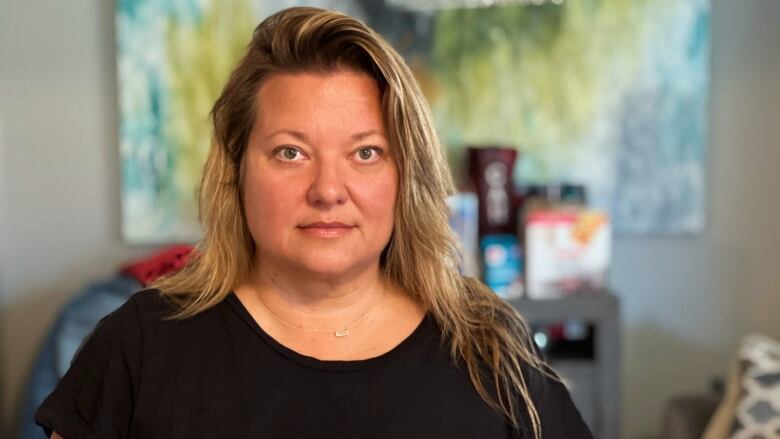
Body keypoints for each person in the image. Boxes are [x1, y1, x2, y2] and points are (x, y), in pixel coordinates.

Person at [35, 7, 593, 439]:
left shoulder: (489, 346)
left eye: (366, 153)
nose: (328, 190)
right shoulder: (139, 345)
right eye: (290, 153)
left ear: (407, 175)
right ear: (237, 169)